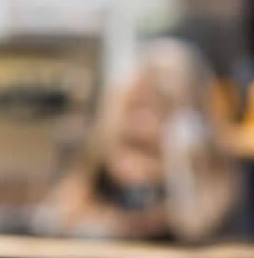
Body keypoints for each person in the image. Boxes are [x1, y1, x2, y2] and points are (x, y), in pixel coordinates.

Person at [39, 38, 239, 243]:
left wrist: (177, 172)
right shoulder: (96, 173)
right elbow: (56, 218)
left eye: (162, 107)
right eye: (135, 105)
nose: (143, 123)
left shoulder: (220, 185)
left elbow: (196, 224)